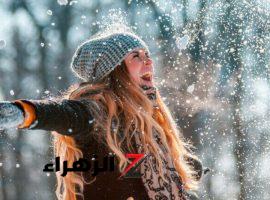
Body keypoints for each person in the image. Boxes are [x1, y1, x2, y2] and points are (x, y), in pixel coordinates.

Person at [0, 31, 204, 200]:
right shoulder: (99, 113)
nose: (148, 61)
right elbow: (63, 113)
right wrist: (22, 113)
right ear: (115, 70)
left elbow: (143, 171)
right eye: (136, 56)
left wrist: (180, 168)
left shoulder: (148, 123)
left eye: (146, 54)